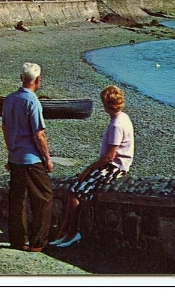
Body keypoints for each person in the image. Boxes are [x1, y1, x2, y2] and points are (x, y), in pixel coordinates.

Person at [51, 85, 134, 248]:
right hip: (115, 165)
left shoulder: (117, 125)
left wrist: (89, 169)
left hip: (114, 167)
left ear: (105, 104)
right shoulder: (124, 117)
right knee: (75, 189)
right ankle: (64, 232)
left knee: (76, 190)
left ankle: (72, 233)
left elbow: (109, 157)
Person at [1, 62, 53, 252]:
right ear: (37, 81)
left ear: (22, 78)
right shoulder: (32, 102)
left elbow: (5, 127)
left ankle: (18, 240)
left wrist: (11, 150)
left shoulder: (9, 99)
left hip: (15, 156)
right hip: (31, 159)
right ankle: (38, 241)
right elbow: (38, 134)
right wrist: (47, 158)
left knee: (18, 200)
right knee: (44, 198)